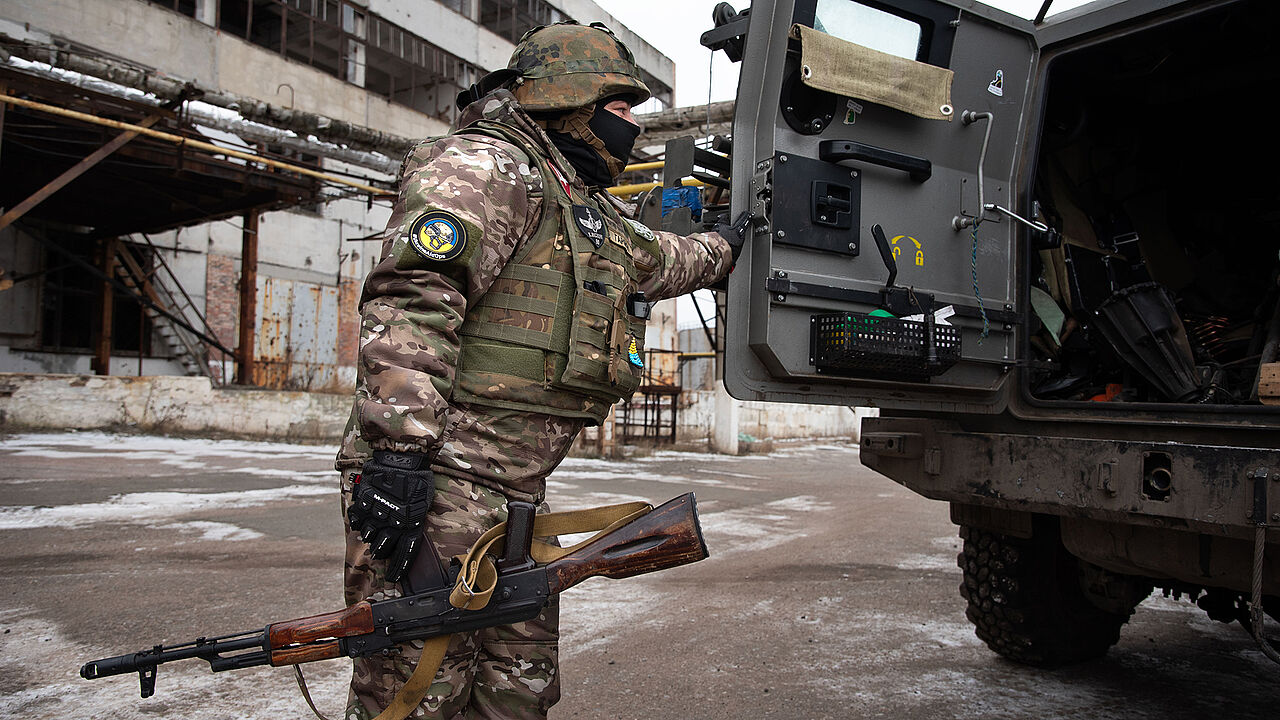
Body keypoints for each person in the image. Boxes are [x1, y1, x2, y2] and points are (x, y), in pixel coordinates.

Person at [334, 20, 742, 720]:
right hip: (438, 483)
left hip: (518, 493)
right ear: (570, 102)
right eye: (622, 108)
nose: (633, 126)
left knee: (515, 691)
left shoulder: (581, 207)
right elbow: (415, 300)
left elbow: (660, 260)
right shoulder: (485, 168)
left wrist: (727, 241)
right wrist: (399, 454)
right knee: (418, 687)